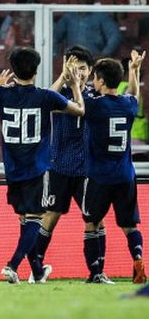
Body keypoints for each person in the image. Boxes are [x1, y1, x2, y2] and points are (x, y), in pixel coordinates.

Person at [0, 47, 85, 283]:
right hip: (37, 167)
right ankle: (11, 265)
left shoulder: (2, 94)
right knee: (34, 219)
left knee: (26, 221)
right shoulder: (45, 96)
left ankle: (37, 271)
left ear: (12, 70)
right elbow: (79, 110)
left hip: (13, 168)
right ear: (37, 69)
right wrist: (73, 84)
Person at [34, 47, 114, 283]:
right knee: (50, 216)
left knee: (95, 219)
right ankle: (36, 268)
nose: (78, 72)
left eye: (83, 68)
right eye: (73, 67)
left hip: (87, 170)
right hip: (58, 166)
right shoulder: (58, 93)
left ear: (90, 71)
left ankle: (96, 272)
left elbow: (91, 109)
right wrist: (62, 76)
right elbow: (42, 101)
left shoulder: (93, 95)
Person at [82, 52, 146, 284]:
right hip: (125, 175)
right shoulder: (128, 105)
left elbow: (77, 104)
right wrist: (135, 70)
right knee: (129, 225)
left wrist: (72, 81)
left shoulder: (94, 106)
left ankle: (96, 272)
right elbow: (134, 93)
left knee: (92, 223)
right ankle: (138, 258)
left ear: (99, 80)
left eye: (94, 78)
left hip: (99, 176)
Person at [53, 0, 122, 57]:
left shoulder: (102, 16)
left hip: (94, 61)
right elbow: (55, 37)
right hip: (72, 62)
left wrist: (103, 55)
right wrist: (55, 55)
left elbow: (115, 36)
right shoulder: (68, 16)